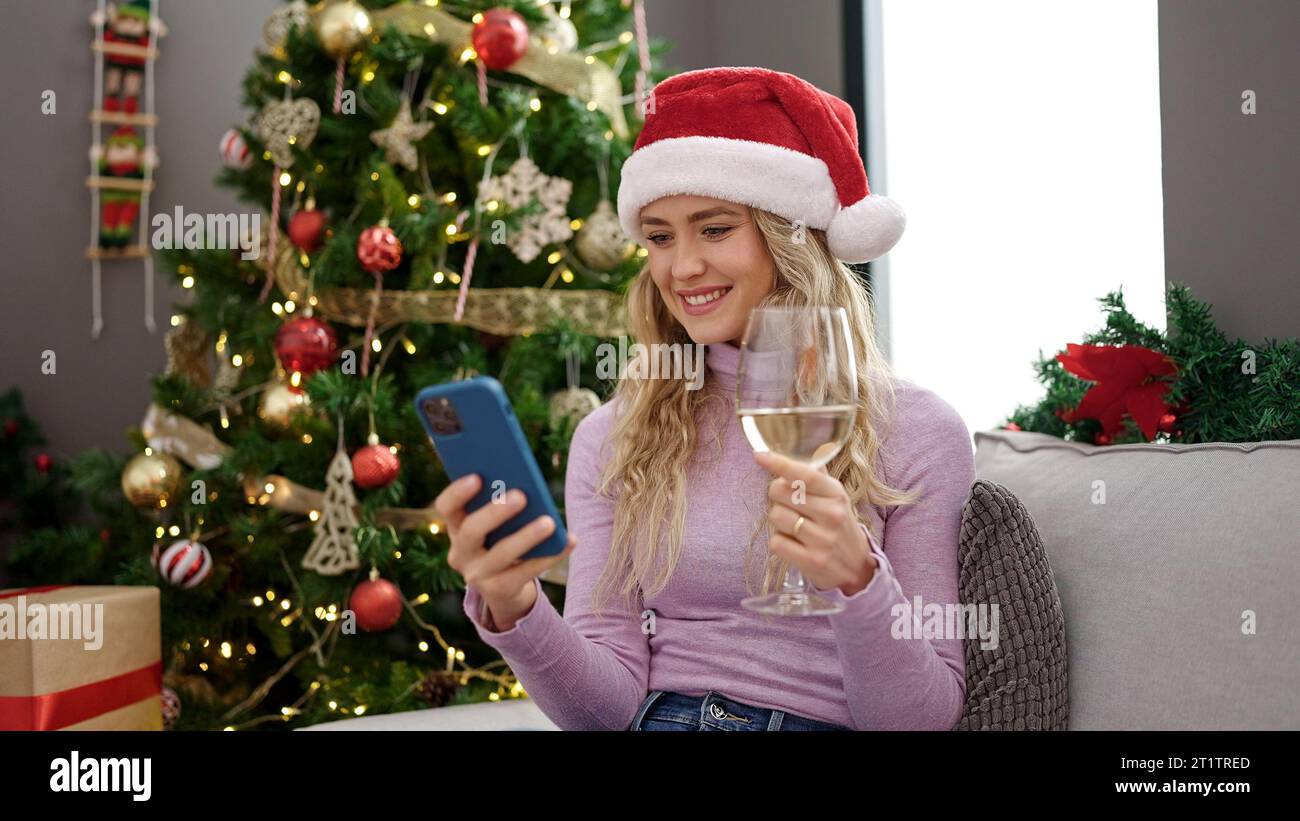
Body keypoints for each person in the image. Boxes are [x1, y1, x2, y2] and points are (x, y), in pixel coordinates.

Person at [438, 67, 974, 731]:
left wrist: (858, 580)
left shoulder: (919, 430)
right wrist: (516, 608)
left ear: (789, 237)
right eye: (660, 236)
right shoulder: (615, 436)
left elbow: (918, 721)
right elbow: (604, 709)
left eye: (714, 229)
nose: (681, 267)